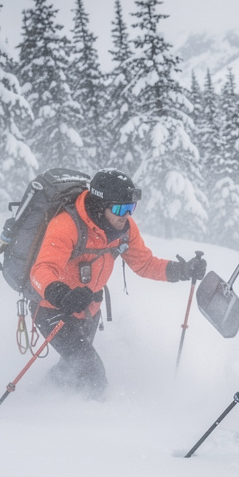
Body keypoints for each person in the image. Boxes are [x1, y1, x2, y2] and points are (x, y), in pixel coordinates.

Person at [28, 168, 207, 399]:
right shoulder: (67, 225)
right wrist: (62, 294)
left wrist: (182, 270)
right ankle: (94, 425)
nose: (126, 215)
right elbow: (41, 270)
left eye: (131, 208)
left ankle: (39, 397)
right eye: (120, 208)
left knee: (72, 367)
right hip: (52, 309)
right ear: (100, 205)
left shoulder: (124, 229)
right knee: (92, 376)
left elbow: (144, 264)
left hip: (88, 310)